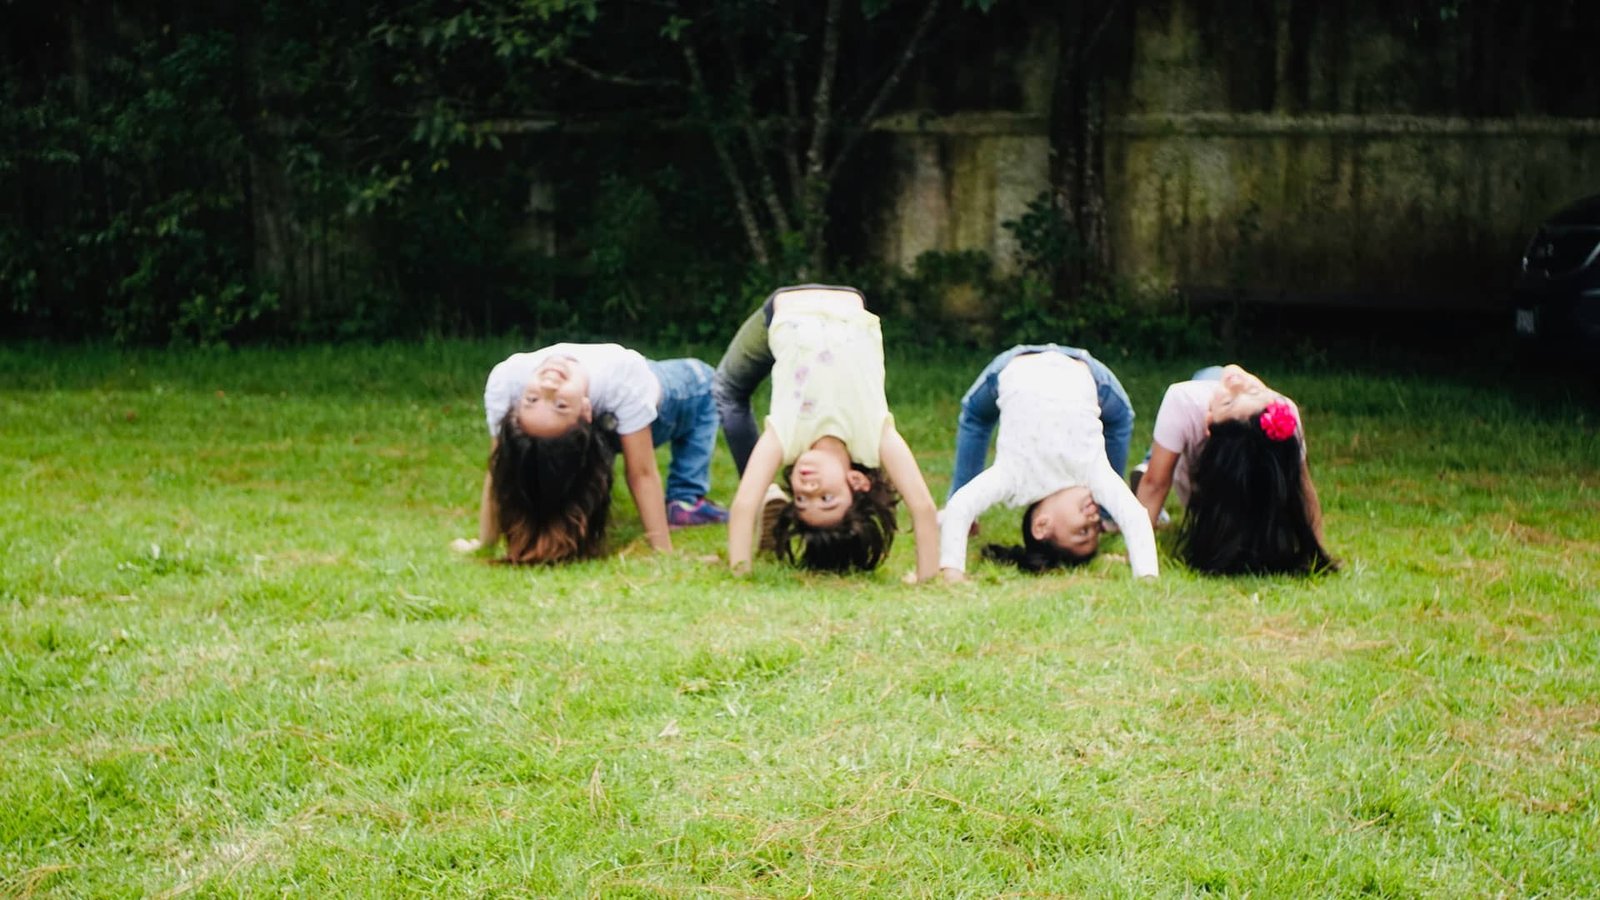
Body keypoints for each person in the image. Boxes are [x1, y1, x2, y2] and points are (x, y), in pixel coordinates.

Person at [719, 284, 939, 578]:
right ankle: (769, 495)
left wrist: (740, 572)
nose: (808, 490)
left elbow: (744, 504)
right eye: (826, 499)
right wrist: (926, 578)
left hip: (788, 305)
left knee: (727, 391)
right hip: (848, 304)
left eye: (800, 500)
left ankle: (768, 494)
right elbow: (923, 507)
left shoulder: (786, 438)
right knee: (727, 391)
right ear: (857, 481)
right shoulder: (875, 438)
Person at [453, 344, 727, 564]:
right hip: (662, 409)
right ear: (586, 414)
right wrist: (664, 552)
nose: (548, 386)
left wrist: (485, 542)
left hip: (627, 407)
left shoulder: (509, 379)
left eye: (532, 400)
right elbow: (641, 474)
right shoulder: (621, 379)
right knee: (706, 381)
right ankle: (686, 496)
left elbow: (500, 470)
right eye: (560, 405)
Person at [939, 350, 1158, 580]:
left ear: (1041, 526)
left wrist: (952, 574)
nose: (1093, 521)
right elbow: (1135, 516)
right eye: (1096, 527)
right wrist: (1147, 577)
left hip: (1018, 361)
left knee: (976, 416)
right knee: (1120, 419)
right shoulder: (1093, 474)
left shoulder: (1013, 478)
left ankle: (970, 523)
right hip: (1081, 366)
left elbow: (959, 506)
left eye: (1083, 531)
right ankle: (1110, 516)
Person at [1131, 364, 1334, 575]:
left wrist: (1315, 551)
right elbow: (1155, 483)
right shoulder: (1187, 400)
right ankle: (1153, 457)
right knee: (1210, 374)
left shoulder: (1187, 402)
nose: (1237, 383)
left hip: (1226, 495)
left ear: (1210, 421)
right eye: (1253, 391)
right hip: (1211, 484)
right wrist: (1137, 553)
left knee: (1211, 374)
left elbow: (1302, 488)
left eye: (1230, 401)